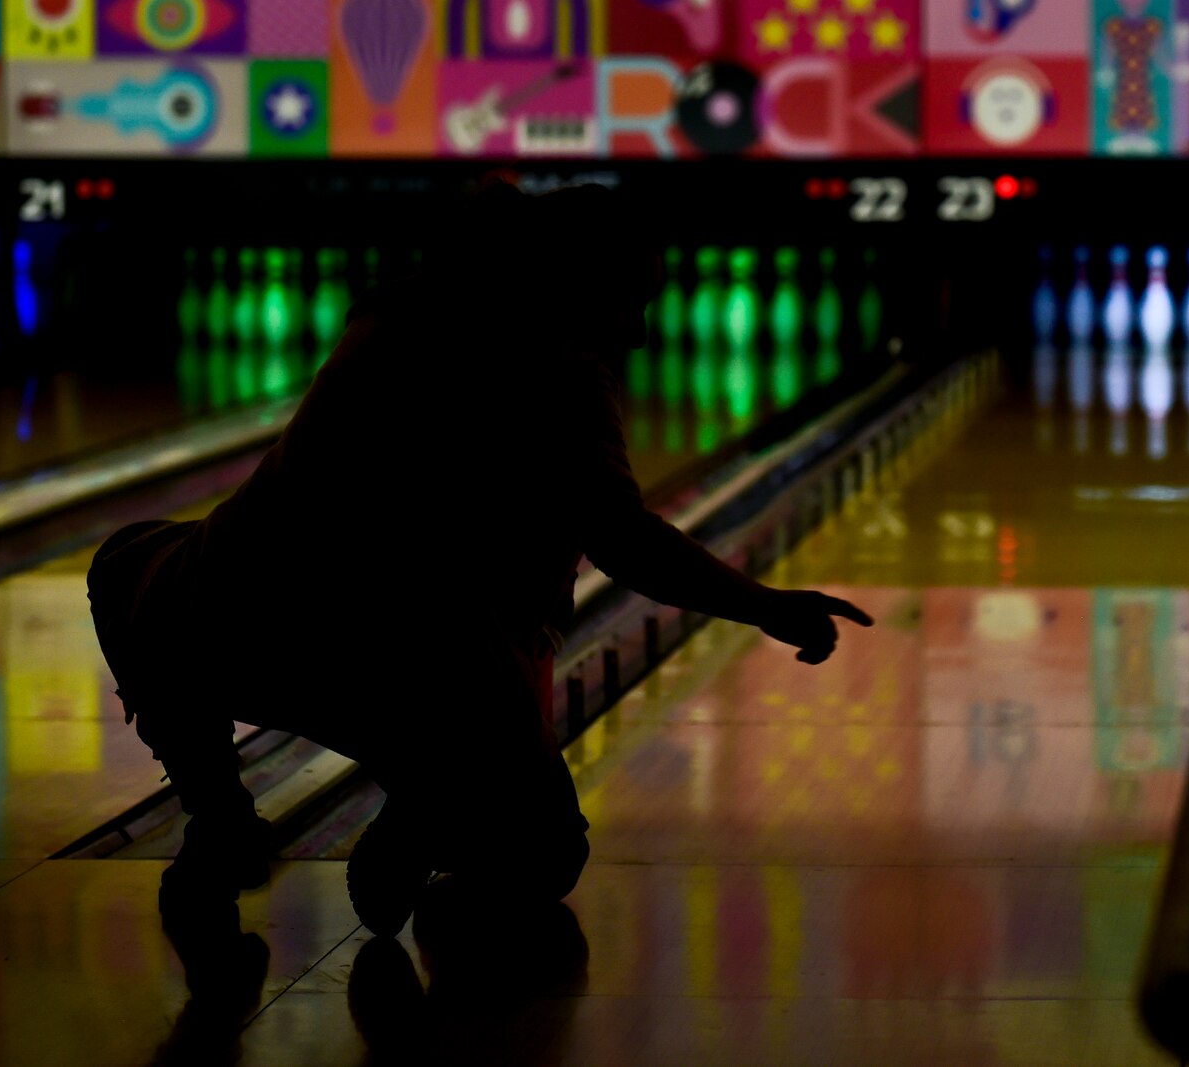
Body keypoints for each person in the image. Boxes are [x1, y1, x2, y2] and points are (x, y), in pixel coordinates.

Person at [87, 183, 871, 936]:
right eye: (629, 301)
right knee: (541, 852)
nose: (635, 330)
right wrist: (766, 604)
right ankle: (434, 797)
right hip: (424, 670)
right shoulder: (563, 370)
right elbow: (624, 539)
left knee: (125, 562)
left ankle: (220, 815)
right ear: (575, 284)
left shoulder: (389, 312)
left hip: (237, 619)